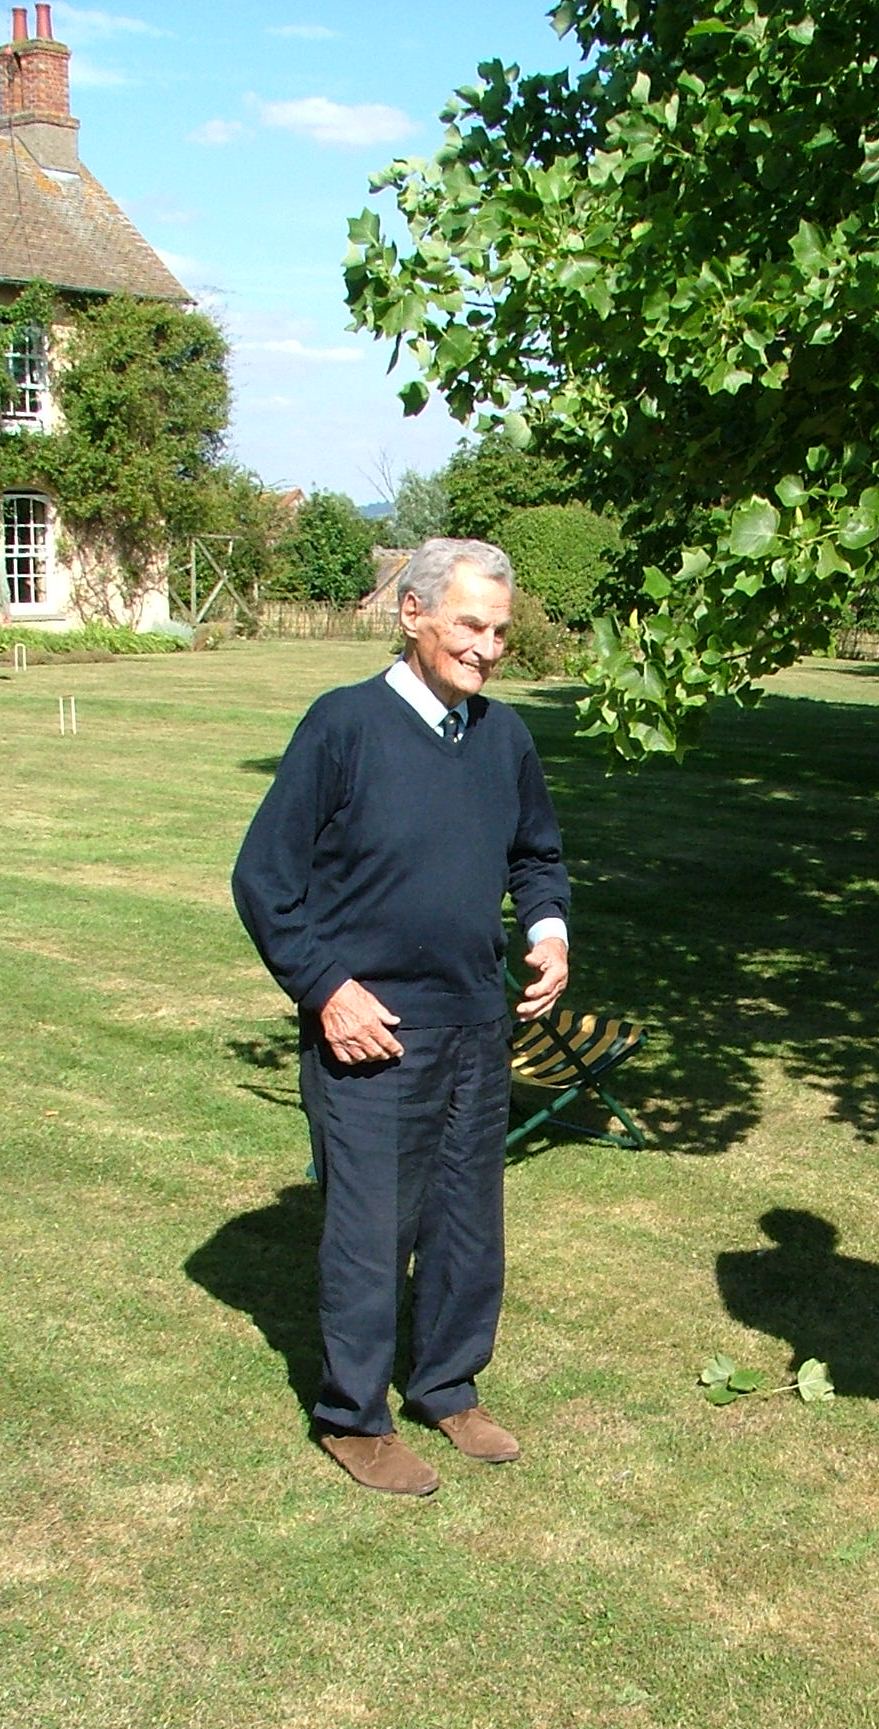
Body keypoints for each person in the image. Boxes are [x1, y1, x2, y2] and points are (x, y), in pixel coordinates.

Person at [232, 537, 570, 1496]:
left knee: (466, 1222)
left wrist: (548, 931)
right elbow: (263, 879)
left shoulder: (503, 736)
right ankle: (353, 1416)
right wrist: (327, 990)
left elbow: (536, 855)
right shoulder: (343, 725)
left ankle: (447, 1386)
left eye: (499, 631)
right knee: (370, 1231)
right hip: (370, 1030)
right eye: (470, 625)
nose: (487, 648)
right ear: (411, 613)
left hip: (474, 1020)